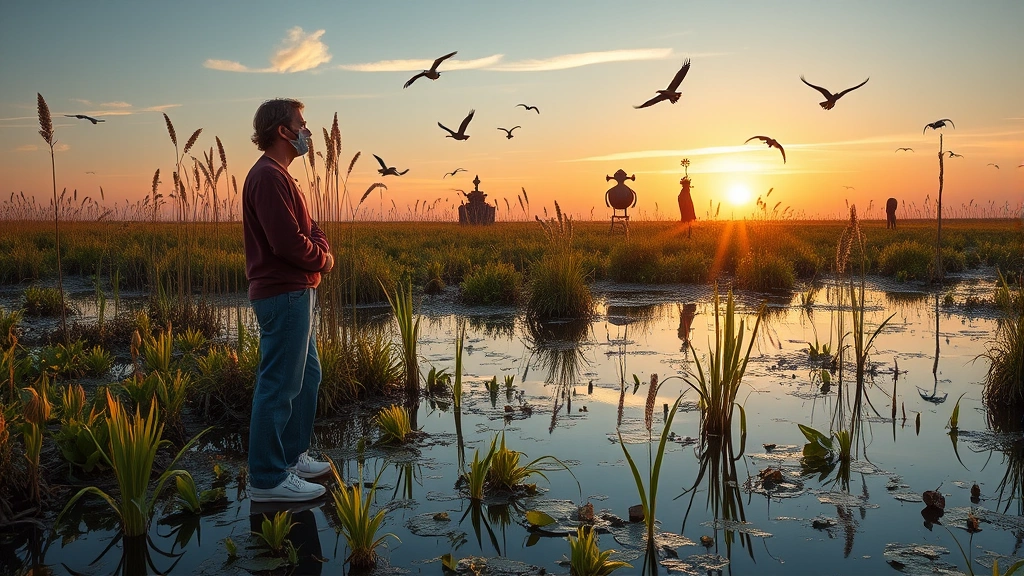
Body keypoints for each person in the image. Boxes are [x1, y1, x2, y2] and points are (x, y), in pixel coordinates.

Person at [243, 98, 334, 502]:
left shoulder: (282, 177)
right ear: (283, 131)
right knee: (279, 384)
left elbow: (313, 229)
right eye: (302, 124)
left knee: (307, 377)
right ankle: (267, 478)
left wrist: (319, 248)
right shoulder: (267, 177)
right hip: (283, 293)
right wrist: (323, 260)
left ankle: (292, 458)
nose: (307, 132)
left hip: (297, 291)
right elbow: (288, 242)